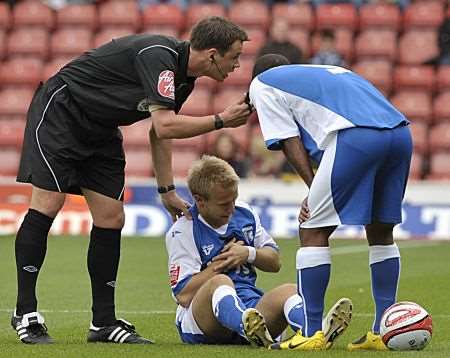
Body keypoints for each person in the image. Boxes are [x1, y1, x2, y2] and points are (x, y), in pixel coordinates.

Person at [12, 16, 252, 344]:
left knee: (112, 217)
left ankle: (103, 323)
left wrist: (166, 189)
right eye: (234, 57)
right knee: (49, 203)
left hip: (100, 129)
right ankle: (25, 312)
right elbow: (167, 126)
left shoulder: (184, 79)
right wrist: (221, 120)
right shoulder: (159, 56)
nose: (237, 65)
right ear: (212, 54)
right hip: (62, 113)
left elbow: (158, 132)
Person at [248, 54, 412, 351]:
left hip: (357, 137)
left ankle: (310, 333)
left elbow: (288, 139)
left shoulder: (262, 83)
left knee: (312, 229)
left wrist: (313, 188)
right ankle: (382, 331)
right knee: (379, 231)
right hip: (400, 133)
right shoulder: (326, 71)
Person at [165, 155, 352, 349]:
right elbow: (184, 295)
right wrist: (218, 267)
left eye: (234, 200)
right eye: (223, 204)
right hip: (202, 324)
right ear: (199, 200)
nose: (231, 209)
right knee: (220, 282)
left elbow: (275, 262)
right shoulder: (183, 230)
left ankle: (314, 331)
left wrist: (247, 253)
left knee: (289, 290)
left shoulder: (244, 213)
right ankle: (247, 329)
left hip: (251, 309)